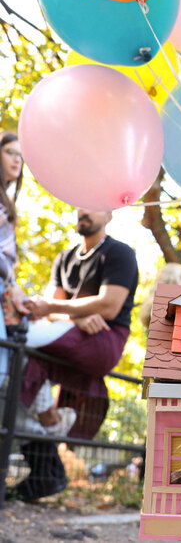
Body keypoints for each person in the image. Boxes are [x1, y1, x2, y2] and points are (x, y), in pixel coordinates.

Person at [6, 209, 138, 502]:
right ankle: (49, 458)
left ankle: (51, 426)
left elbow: (108, 307)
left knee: (20, 339)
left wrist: (58, 311)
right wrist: (74, 317)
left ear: (110, 214)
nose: (84, 211)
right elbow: (51, 311)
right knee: (21, 363)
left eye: (93, 205)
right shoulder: (65, 257)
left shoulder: (120, 253)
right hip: (71, 333)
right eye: (80, 205)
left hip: (104, 339)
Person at [0, 131, 24, 385]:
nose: (17, 160)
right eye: (10, 152)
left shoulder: (7, 200)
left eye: (21, 156)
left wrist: (12, 285)